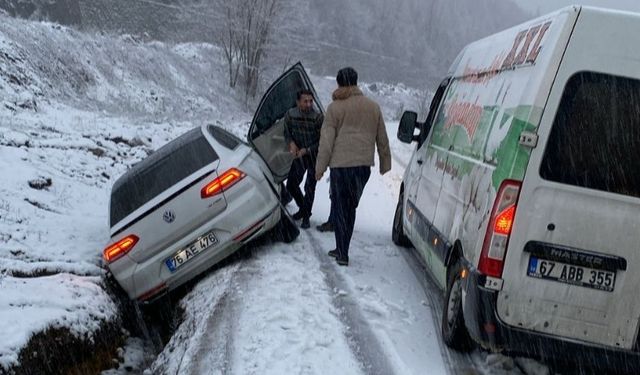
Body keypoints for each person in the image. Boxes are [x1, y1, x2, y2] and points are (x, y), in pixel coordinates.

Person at [315, 67, 391, 266]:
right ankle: (342, 248)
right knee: (350, 207)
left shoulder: (335, 108)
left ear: (339, 84)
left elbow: (326, 141)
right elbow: (382, 137)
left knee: (341, 207)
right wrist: (385, 163)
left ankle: (342, 252)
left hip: (341, 166)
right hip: (362, 167)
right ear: (356, 82)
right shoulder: (373, 107)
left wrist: (320, 167)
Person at [284, 89, 324, 229]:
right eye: (305, 101)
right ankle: (304, 209)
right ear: (298, 102)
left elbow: (322, 141)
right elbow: (287, 132)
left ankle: (306, 217)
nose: (308, 104)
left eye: (310, 101)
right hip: (299, 154)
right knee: (291, 184)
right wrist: (291, 143)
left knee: (310, 187)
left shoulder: (318, 118)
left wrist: (307, 150)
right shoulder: (290, 115)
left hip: (314, 155)